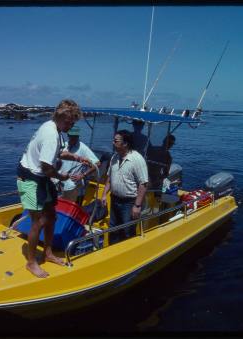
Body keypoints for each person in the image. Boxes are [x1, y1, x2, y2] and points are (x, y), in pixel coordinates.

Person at [17, 99, 91, 278]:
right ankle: (31, 262)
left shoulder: (53, 127)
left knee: (51, 216)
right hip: (31, 178)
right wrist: (62, 177)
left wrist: (76, 157)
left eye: (73, 122)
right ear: (59, 116)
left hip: (41, 178)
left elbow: (57, 153)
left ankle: (48, 253)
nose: (70, 125)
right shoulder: (51, 134)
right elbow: (46, 167)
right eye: (68, 122)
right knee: (38, 222)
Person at [100, 130, 149, 243]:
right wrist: (104, 195)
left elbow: (144, 183)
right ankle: (112, 252)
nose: (113, 142)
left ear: (125, 143)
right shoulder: (114, 157)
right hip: (115, 199)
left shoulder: (137, 159)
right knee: (113, 229)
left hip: (129, 202)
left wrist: (137, 205)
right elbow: (109, 177)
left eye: (116, 141)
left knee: (127, 231)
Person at [59, 126, 100, 204]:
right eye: (71, 136)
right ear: (68, 135)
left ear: (78, 136)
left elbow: (97, 163)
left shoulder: (83, 148)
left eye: (74, 136)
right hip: (60, 184)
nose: (72, 138)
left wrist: (83, 175)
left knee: (71, 211)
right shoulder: (64, 146)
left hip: (74, 186)